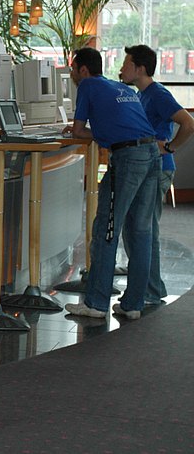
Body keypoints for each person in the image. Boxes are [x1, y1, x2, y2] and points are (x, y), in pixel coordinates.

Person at [63, 47, 161, 320]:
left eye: (72, 69)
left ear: (83, 70)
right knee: (140, 233)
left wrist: (88, 133)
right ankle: (133, 305)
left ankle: (95, 303)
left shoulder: (88, 86)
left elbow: (80, 130)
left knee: (106, 229)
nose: (71, 74)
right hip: (152, 154)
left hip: (128, 158)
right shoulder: (121, 87)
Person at [118, 45, 194, 305]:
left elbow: (188, 123)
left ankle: (149, 291)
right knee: (139, 230)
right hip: (148, 167)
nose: (121, 68)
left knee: (143, 231)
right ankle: (152, 287)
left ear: (140, 69)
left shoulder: (157, 93)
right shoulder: (142, 94)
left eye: (126, 64)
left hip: (159, 168)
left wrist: (170, 147)